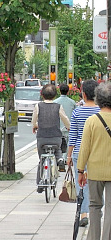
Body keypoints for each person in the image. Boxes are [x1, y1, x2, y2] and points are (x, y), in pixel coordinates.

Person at [77, 82, 111, 239]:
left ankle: (94, 237)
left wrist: (80, 170)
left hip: (95, 171)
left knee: (95, 206)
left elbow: (84, 148)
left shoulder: (92, 121)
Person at [66, 80, 99, 227]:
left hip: (79, 152)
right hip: (97, 152)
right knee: (96, 183)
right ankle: (96, 212)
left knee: (82, 184)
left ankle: (83, 213)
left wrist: (68, 155)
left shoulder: (77, 112)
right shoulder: (101, 112)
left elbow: (73, 135)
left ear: (83, 95)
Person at [32, 84, 70, 193]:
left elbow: (34, 119)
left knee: (42, 159)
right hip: (55, 136)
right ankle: (60, 159)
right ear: (54, 95)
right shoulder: (58, 106)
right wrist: (68, 127)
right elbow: (65, 118)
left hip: (42, 137)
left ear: (42, 95)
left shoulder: (38, 106)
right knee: (57, 149)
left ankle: (40, 183)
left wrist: (35, 126)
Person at [54, 83, 76, 170]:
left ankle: (60, 159)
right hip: (69, 127)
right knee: (68, 144)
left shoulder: (55, 102)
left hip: (58, 127)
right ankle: (66, 158)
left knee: (59, 144)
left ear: (60, 91)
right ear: (68, 91)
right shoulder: (72, 102)